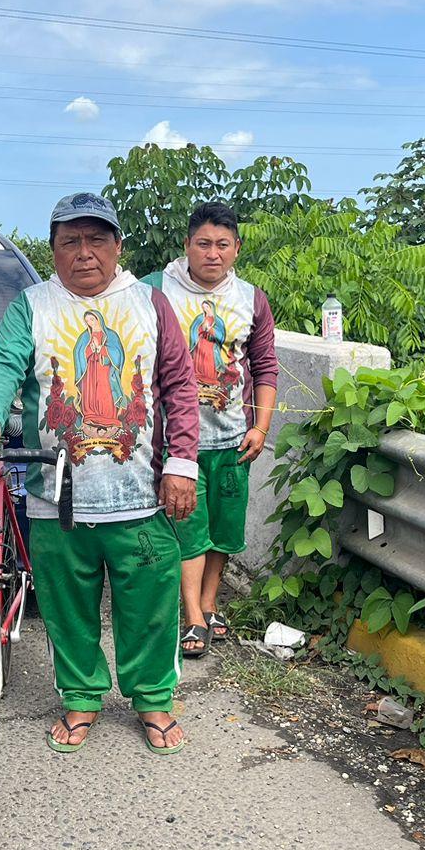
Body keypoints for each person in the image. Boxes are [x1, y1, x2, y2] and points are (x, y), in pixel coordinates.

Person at [0, 192, 199, 755]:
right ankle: (81, 696)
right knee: (67, 606)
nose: (84, 253)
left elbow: (180, 387)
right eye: (70, 241)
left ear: (117, 247)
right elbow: (4, 367)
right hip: (56, 496)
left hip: (140, 493)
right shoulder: (32, 305)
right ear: (54, 250)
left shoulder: (149, 303)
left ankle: (154, 700)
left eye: (97, 240)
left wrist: (183, 464)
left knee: (149, 604)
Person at [143, 202, 278, 657]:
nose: (213, 254)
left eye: (223, 245)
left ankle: (209, 603)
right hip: (179, 442)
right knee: (189, 529)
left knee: (222, 529)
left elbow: (265, 368)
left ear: (236, 248)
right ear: (187, 245)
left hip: (231, 436)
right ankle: (193, 618)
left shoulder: (251, 299)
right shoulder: (155, 290)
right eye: (203, 243)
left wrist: (260, 427)